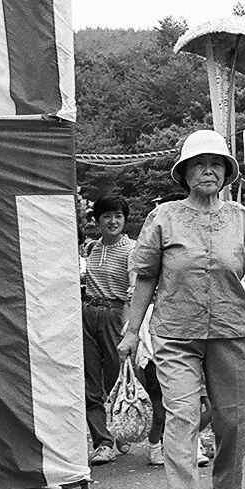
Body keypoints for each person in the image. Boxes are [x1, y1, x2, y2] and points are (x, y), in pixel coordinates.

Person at [117, 130, 245, 489]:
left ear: (226, 171)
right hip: (175, 331)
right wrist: (132, 332)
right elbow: (144, 276)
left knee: (232, 416)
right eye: (199, 164)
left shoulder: (241, 218)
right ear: (185, 172)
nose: (208, 170)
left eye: (216, 164)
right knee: (181, 413)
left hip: (230, 330)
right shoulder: (163, 217)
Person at [80, 194, 133, 465]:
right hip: (88, 313)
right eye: (106, 216)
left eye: (118, 216)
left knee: (117, 380)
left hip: (115, 314)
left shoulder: (131, 249)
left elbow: (133, 292)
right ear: (97, 220)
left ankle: (122, 429)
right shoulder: (92, 248)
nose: (112, 221)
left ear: (124, 220)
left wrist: (128, 328)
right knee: (90, 383)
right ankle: (103, 443)